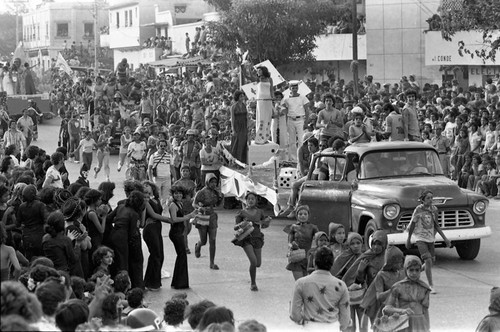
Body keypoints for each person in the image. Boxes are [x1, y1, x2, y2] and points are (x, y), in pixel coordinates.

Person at [290, 246, 350, 330]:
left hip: (310, 327)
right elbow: (345, 320)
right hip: (332, 328)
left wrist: (301, 321)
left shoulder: (301, 283)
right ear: (332, 263)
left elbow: (295, 315)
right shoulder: (341, 285)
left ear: (314, 262)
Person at [406, 189, 451, 294]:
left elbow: (436, 225)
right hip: (420, 238)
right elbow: (412, 224)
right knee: (428, 260)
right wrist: (408, 239)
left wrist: (445, 239)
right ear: (422, 200)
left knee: (431, 262)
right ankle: (430, 286)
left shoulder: (434, 209)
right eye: (428, 198)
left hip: (430, 238)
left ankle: (413, 272)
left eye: (432, 198)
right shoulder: (418, 210)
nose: (430, 200)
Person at [232, 192, 271, 291]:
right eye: (248, 199)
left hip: (257, 238)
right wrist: (242, 224)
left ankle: (253, 280)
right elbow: (235, 227)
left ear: (256, 200)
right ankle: (253, 283)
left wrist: (265, 221)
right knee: (253, 261)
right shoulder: (241, 213)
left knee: (258, 263)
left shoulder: (260, 212)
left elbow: (265, 225)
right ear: (245, 201)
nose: (250, 200)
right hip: (246, 239)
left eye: (252, 198)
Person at [382, 255, 431, 332]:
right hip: (404, 324)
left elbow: (425, 310)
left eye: (417, 270)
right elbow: (387, 309)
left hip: (420, 325)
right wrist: (402, 311)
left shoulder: (424, 288)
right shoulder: (398, 287)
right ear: (405, 270)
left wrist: (427, 328)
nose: (414, 273)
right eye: (411, 270)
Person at [108, 190, 145, 289]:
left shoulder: (120, 207)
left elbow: (109, 219)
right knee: (123, 263)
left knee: (115, 261)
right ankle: (123, 286)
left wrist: (120, 221)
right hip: (123, 237)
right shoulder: (134, 214)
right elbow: (133, 232)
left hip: (113, 234)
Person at [193, 173, 223, 270]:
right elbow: (194, 203)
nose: (213, 184)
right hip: (203, 217)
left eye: (215, 182)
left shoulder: (216, 192)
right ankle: (198, 245)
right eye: (211, 182)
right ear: (207, 181)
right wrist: (200, 208)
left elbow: (218, 205)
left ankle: (212, 263)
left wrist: (220, 198)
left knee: (213, 240)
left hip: (212, 216)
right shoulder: (201, 192)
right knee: (204, 240)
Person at [168, 186, 196, 289]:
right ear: (173, 194)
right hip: (176, 233)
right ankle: (180, 283)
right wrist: (189, 216)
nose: (178, 195)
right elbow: (174, 219)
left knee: (182, 256)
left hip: (179, 231)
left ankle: (178, 282)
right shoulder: (173, 205)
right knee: (182, 255)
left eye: (180, 193)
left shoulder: (180, 204)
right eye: (176, 193)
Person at [286, 205, 318, 280]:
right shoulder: (293, 227)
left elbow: (318, 239)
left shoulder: (313, 227)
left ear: (308, 215)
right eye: (300, 214)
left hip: (308, 258)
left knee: (306, 284)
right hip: (296, 257)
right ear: (297, 216)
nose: (302, 216)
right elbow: (289, 242)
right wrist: (291, 246)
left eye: (305, 214)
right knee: (299, 282)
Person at [281, 81, 310, 162]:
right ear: (290, 88)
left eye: (296, 87)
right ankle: (293, 158)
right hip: (290, 119)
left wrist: (306, 122)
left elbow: (307, 110)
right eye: (293, 87)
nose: (294, 89)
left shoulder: (303, 97)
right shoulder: (286, 98)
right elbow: (283, 108)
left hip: (300, 119)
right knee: (292, 140)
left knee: (301, 140)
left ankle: (302, 157)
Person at [147, 139, 171, 208]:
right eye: (161, 146)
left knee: (166, 197)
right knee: (157, 195)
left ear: (166, 147)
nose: (162, 147)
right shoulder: (153, 156)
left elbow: (172, 168)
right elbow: (149, 168)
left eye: (164, 146)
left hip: (167, 178)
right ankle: (158, 209)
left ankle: (164, 210)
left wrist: (175, 178)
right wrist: (150, 179)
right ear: (157, 146)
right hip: (157, 178)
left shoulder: (169, 156)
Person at [254, 66, 274, 144]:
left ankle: (265, 138)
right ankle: (259, 138)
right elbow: (248, 76)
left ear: (263, 71)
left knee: (267, 118)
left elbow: (271, 89)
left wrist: (273, 97)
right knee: (261, 119)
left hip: (268, 101)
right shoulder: (257, 79)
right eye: (257, 71)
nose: (258, 72)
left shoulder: (270, 79)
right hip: (260, 101)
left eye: (259, 70)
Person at [230, 90, 248, 164]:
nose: (242, 97)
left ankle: (242, 161)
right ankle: (237, 161)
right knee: (237, 144)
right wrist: (233, 129)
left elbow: (246, 117)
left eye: (243, 96)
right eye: (241, 96)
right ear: (237, 97)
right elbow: (232, 118)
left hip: (244, 126)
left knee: (243, 143)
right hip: (237, 126)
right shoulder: (233, 106)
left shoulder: (244, 105)